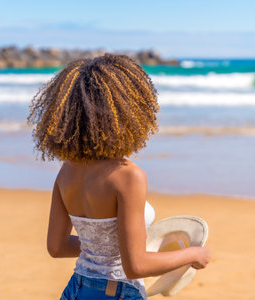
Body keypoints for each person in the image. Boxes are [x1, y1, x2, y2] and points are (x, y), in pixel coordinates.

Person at [28, 54, 210, 300]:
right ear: (129, 112)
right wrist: (194, 255)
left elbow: (56, 247)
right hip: (118, 291)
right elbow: (135, 266)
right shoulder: (128, 177)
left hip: (77, 289)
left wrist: (107, 249)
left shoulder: (67, 171)